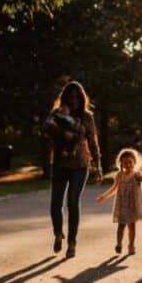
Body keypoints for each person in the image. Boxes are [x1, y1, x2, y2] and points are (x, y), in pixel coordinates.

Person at [43, 81, 102, 258]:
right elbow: (45, 128)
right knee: (55, 203)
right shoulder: (58, 113)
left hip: (80, 164)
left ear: (82, 98)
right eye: (71, 96)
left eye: (77, 96)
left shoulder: (87, 117)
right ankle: (58, 233)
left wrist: (97, 166)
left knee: (73, 202)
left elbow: (93, 142)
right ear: (65, 97)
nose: (74, 99)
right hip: (60, 163)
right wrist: (61, 132)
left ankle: (72, 242)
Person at [96, 148, 142, 255]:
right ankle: (119, 244)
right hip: (122, 205)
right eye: (125, 163)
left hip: (132, 205)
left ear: (134, 162)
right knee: (121, 226)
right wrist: (104, 196)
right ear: (121, 164)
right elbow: (114, 188)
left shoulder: (137, 174)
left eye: (130, 162)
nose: (128, 165)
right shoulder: (119, 175)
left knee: (131, 227)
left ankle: (131, 245)